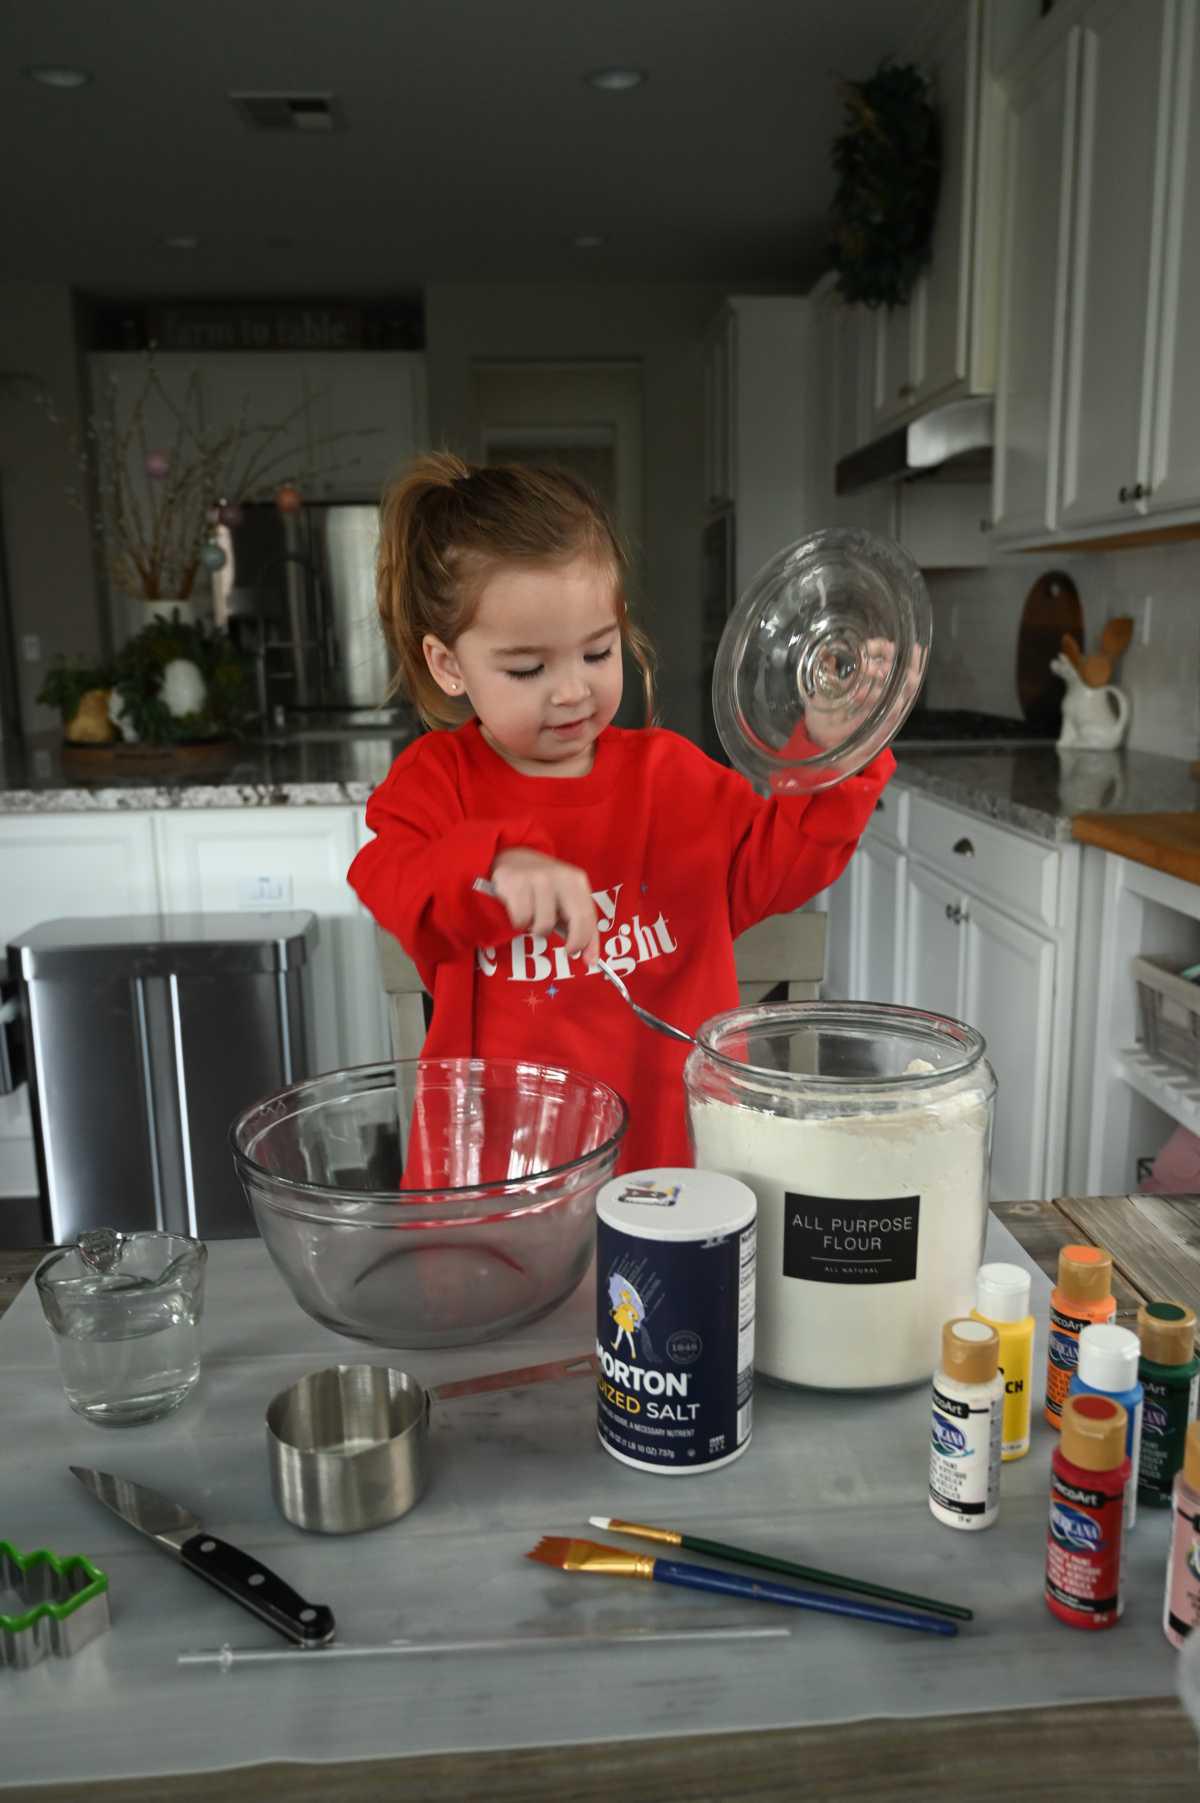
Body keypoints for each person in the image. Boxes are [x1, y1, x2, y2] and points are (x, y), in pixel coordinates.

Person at [348, 453, 895, 1174]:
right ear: (450, 665)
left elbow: (782, 863)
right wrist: (493, 864)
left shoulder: (671, 778)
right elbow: (386, 873)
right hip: (503, 1186)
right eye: (527, 668)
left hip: (673, 1165)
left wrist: (830, 751)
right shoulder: (439, 783)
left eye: (596, 651)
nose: (572, 690)